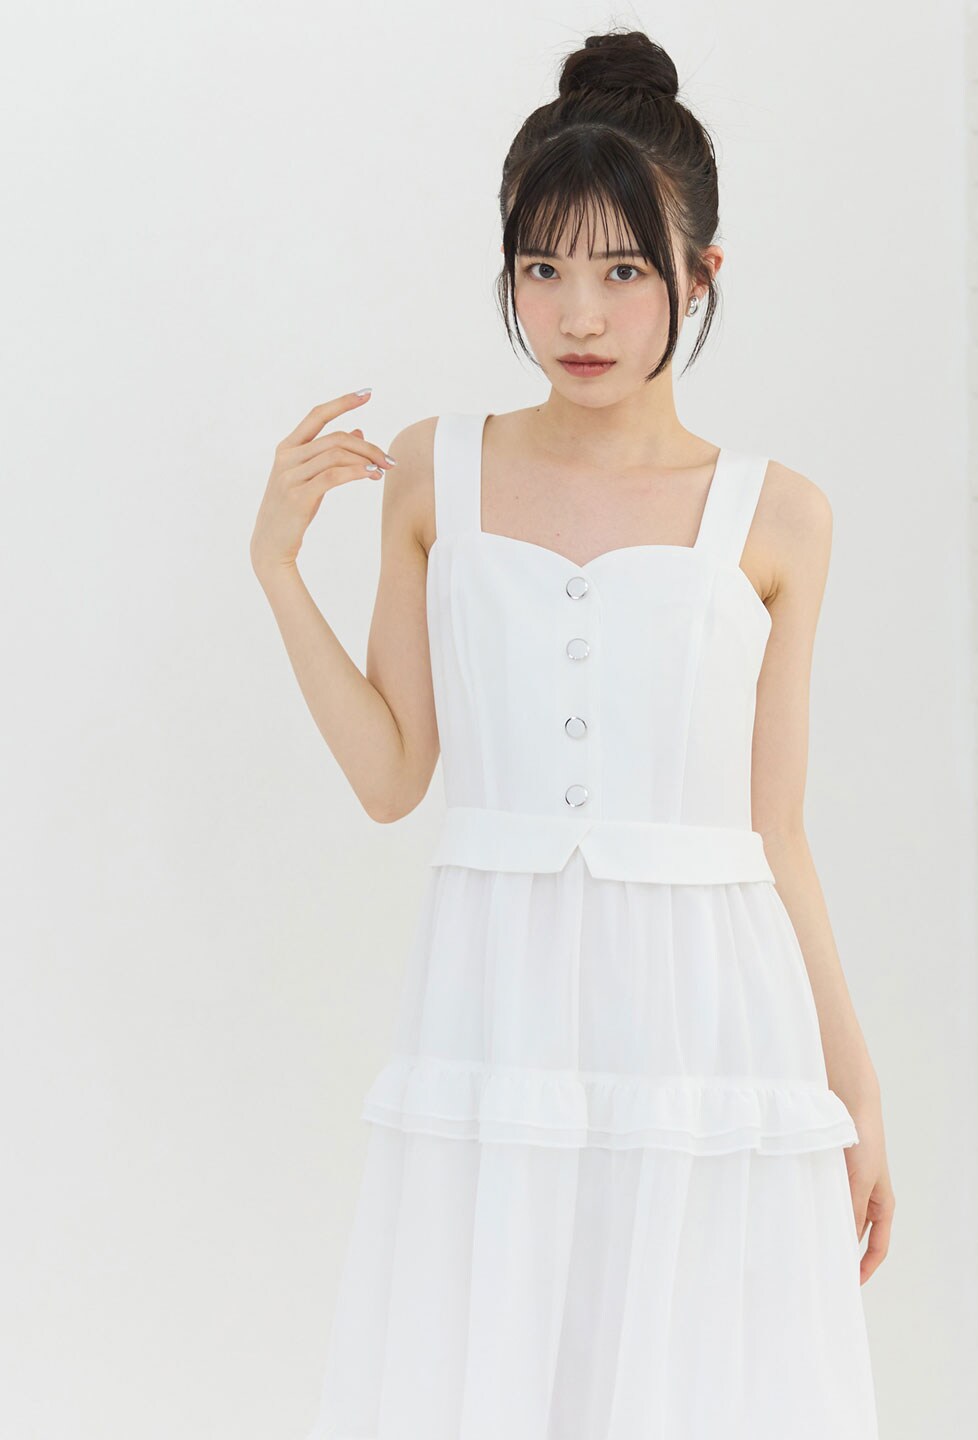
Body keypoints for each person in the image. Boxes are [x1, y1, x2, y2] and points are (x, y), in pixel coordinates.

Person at [251, 26, 893, 1439]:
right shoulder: (437, 472)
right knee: (495, 1376)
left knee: (692, 1383)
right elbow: (391, 775)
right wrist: (278, 569)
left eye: (622, 271)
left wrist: (852, 1084)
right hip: (498, 1009)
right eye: (541, 270)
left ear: (699, 275)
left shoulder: (780, 516)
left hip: (711, 1024)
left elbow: (778, 832)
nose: (579, 315)